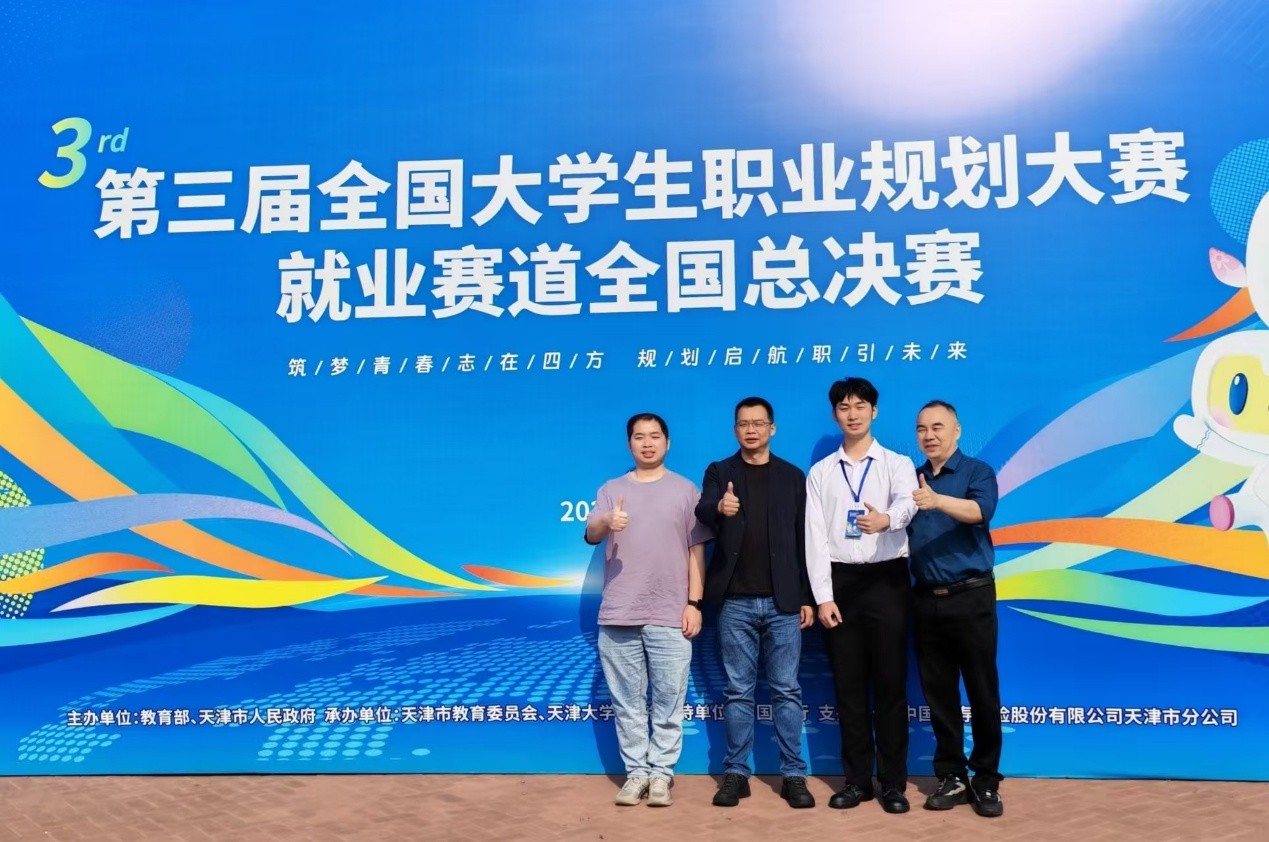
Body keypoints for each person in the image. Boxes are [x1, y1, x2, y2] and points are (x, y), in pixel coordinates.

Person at [585, 412, 710, 808]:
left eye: (655, 436)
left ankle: (661, 774)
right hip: (620, 611)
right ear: (630, 444)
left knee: (670, 700)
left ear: (667, 443)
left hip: (670, 612)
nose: (648, 443)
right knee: (627, 703)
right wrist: (608, 520)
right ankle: (636, 773)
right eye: (639, 437)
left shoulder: (686, 490)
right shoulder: (611, 490)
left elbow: (696, 551)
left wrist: (694, 603)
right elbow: (591, 533)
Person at [696, 397, 816, 810]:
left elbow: (804, 541)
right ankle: (736, 773)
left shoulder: (792, 476)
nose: (751, 430)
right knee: (738, 691)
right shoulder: (720, 472)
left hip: (784, 602)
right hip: (735, 602)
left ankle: (794, 774)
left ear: (772, 428)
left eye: (758, 423)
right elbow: (703, 509)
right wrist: (719, 506)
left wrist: (806, 596)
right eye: (744, 424)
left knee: (787, 690)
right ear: (735, 430)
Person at [805, 377, 917, 814]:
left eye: (860, 406)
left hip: (888, 580)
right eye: (844, 407)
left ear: (874, 411)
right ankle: (856, 782)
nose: (852, 414)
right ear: (835, 414)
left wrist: (887, 519)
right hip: (842, 585)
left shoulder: (896, 463)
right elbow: (815, 538)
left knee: (890, 686)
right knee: (848, 688)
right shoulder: (821, 472)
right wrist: (823, 596)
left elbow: (909, 502)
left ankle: (892, 784)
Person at [907, 400, 1004, 818]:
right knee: (939, 694)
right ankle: (952, 776)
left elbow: (981, 511)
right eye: (922, 429)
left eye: (938, 427)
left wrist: (937, 500)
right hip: (926, 599)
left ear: (957, 430)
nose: (929, 435)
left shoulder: (976, 472)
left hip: (971, 595)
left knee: (982, 691)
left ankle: (986, 780)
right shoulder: (909, 477)